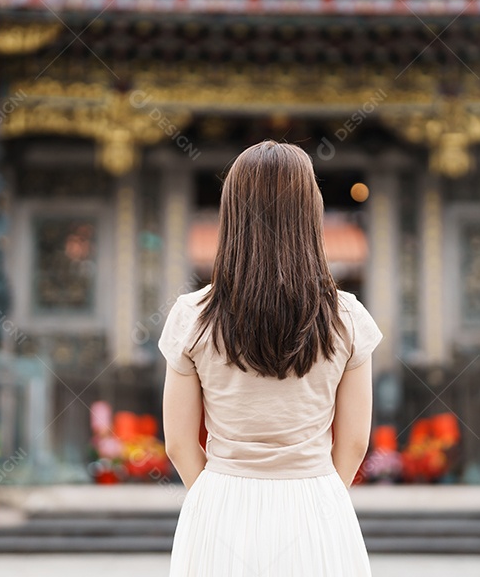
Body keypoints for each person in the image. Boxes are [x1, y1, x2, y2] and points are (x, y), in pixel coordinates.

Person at [159, 141, 381, 577]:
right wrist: (320, 497)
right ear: (309, 212)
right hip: (316, 499)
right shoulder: (348, 316)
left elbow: (179, 443)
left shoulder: (192, 315)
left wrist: (214, 496)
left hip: (220, 501)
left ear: (233, 213)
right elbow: (354, 443)